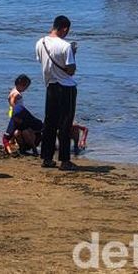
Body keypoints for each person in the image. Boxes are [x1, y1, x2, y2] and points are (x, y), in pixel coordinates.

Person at [35, 15, 78, 170]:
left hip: (50, 85)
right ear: (64, 29)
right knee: (65, 124)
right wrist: (73, 52)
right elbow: (71, 71)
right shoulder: (66, 46)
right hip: (66, 87)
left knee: (50, 122)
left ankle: (47, 157)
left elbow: (43, 62)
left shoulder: (41, 42)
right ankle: (65, 160)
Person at [3, 74, 44, 155]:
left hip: (13, 113)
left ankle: (16, 144)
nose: (26, 89)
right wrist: (15, 110)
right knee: (35, 126)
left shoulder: (13, 90)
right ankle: (34, 148)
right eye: (26, 86)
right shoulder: (17, 93)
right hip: (18, 114)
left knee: (17, 130)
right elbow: (12, 100)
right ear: (21, 84)